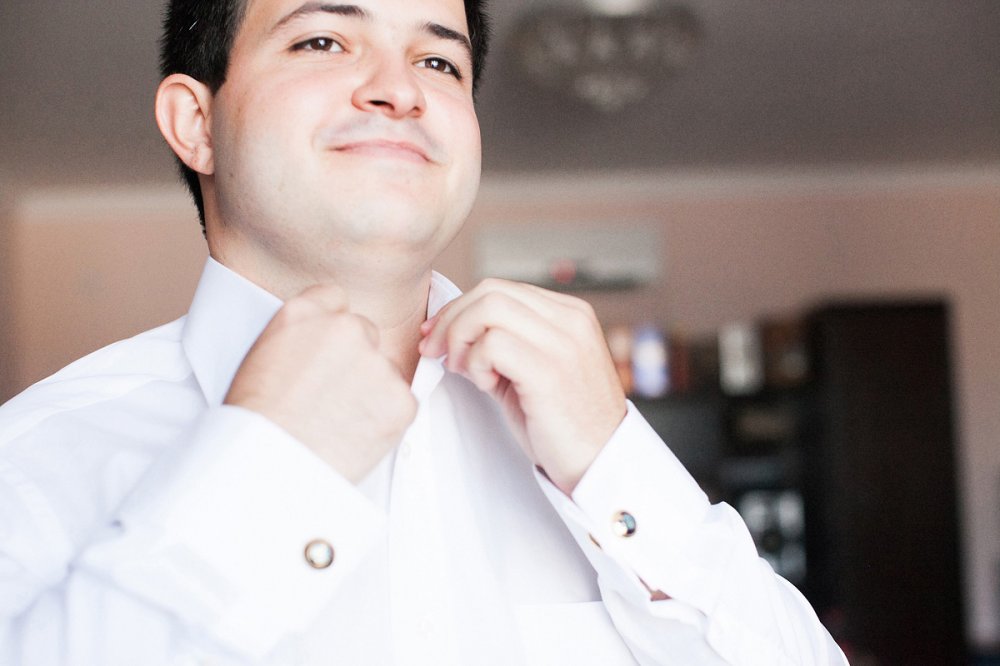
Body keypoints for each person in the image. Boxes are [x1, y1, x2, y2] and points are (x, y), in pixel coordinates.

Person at [0, 0, 848, 663]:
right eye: (323, 41)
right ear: (196, 123)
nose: (400, 90)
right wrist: (256, 477)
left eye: (439, 61)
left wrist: (616, 460)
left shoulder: (586, 449)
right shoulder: (34, 462)